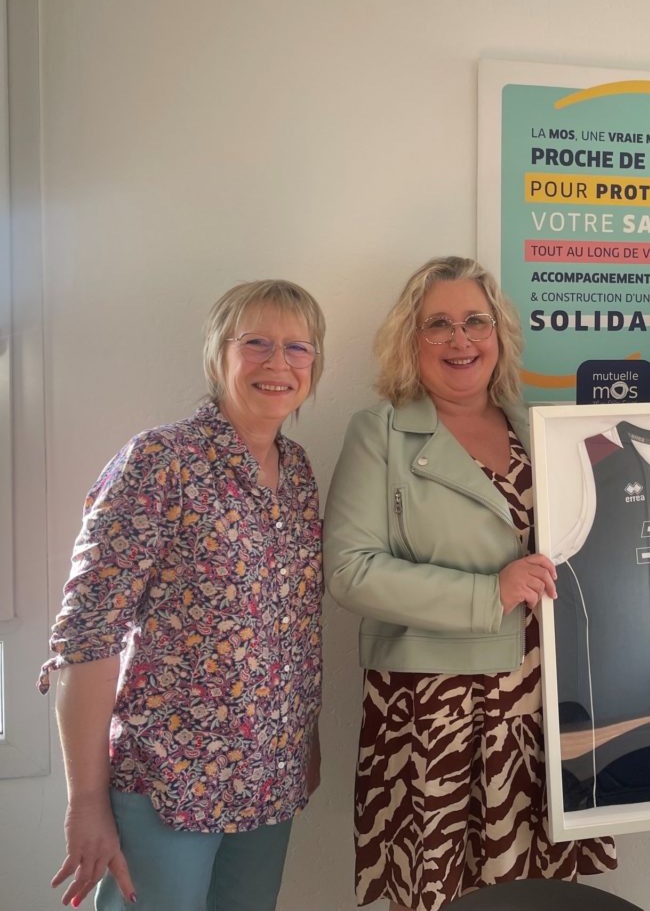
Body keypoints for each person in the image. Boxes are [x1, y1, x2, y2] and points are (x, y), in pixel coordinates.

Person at [324, 256, 616, 911]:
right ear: (411, 339)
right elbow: (349, 569)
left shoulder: (541, 427)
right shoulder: (380, 432)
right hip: (435, 714)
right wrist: (491, 593)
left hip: (543, 703)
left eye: (475, 321)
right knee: (441, 893)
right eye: (439, 324)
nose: (460, 340)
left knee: (535, 891)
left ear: (499, 333)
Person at [38, 280, 327, 911]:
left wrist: (305, 740)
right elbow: (88, 636)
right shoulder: (159, 461)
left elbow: (297, 624)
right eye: (256, 343)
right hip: (169, 785)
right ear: (219, 355)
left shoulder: (300, 474)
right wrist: (86, 803)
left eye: (298, 347)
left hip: (270, 779)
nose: (278, 363)